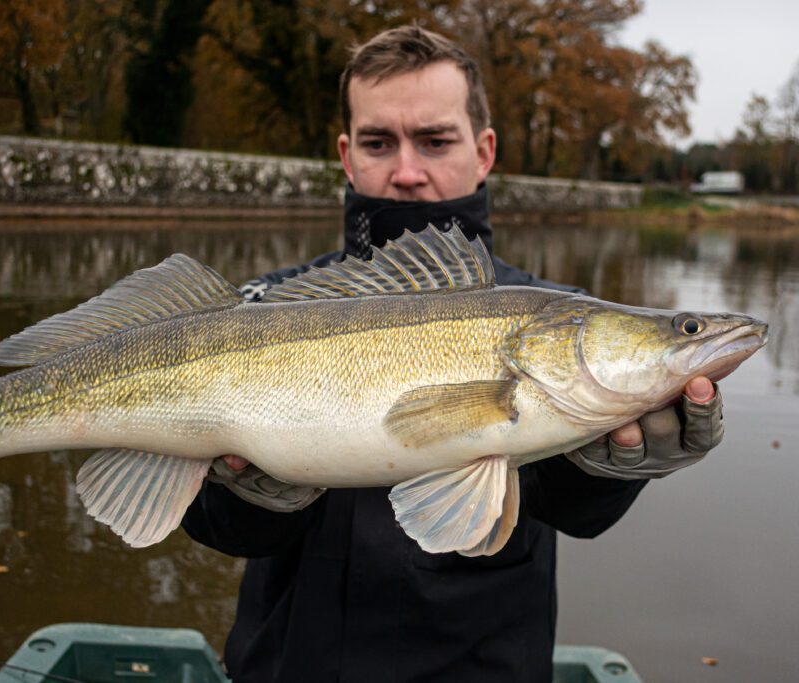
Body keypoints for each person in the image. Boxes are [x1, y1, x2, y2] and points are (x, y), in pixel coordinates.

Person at [182, 26, 723, 682]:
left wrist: (608, 469)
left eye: (435, 140)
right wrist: (248, 495)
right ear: (348, 158)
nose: (407, 171)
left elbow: (574, 513)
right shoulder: (270, 311)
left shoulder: (560, 313)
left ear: (484, 150)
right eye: (380, 143)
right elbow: (219, 528)